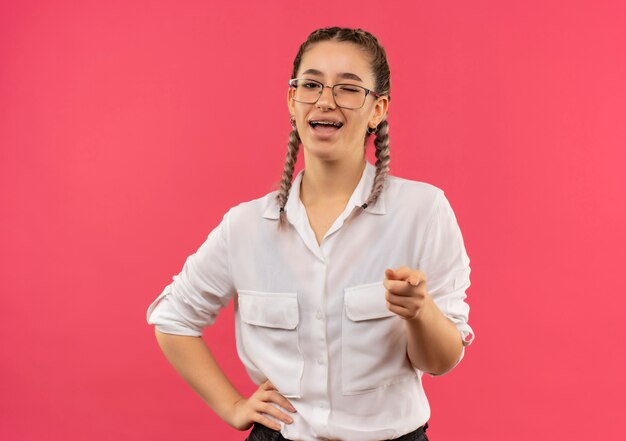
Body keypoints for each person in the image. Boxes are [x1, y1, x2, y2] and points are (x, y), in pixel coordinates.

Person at [146, 26, 475, 441]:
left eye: (348, 89)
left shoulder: (423, 212)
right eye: (312, 84)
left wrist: (419, 310)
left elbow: (442, 361)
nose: (325, 100)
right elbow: (173, 318)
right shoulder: (245, 227)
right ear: (292, 100)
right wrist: (232, 406)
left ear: (378, 109)